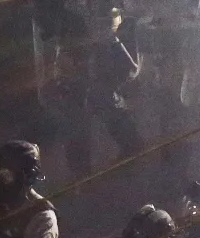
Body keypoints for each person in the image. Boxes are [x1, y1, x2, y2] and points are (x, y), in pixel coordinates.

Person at [48, 2, 144, 178]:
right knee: (79, 116)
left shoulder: (110, 22)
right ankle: (82, 176)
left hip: (98, 55)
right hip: (82, 56)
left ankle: (129, 155)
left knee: (101, 104)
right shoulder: (71, 19)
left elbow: (129, 68)